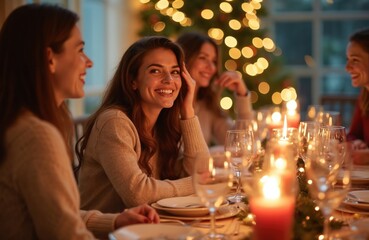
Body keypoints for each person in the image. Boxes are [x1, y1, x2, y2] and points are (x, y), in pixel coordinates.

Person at [0, 4, 159, 239]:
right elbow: (66, 234)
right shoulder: (36, 135)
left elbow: (53, 212)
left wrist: (114, 220)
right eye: (80, 50)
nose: (89, 62)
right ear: (50, 58)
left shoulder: (21, 122)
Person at [76, 36, 209, 213]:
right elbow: (137, 194)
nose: (169, 79)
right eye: (155, 71)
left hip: (143, 229)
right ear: (133, 81)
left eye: (175, 72)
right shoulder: (115, 122)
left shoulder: (162, 125)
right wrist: (195, 183)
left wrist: (187, 110)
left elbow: (201, 168)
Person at [176, 32, 254, 146]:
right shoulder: (166, 104)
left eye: (214, 61)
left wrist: (242, 94)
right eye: (203, 58)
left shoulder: (206, 105)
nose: (212, 67)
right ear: (185, 59)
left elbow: (240, 143)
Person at [345, 27, 369, 165]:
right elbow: (353, 134)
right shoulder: (365, 95)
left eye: (354, 60)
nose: (347, 67)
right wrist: (356, 143)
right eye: (348, 59)